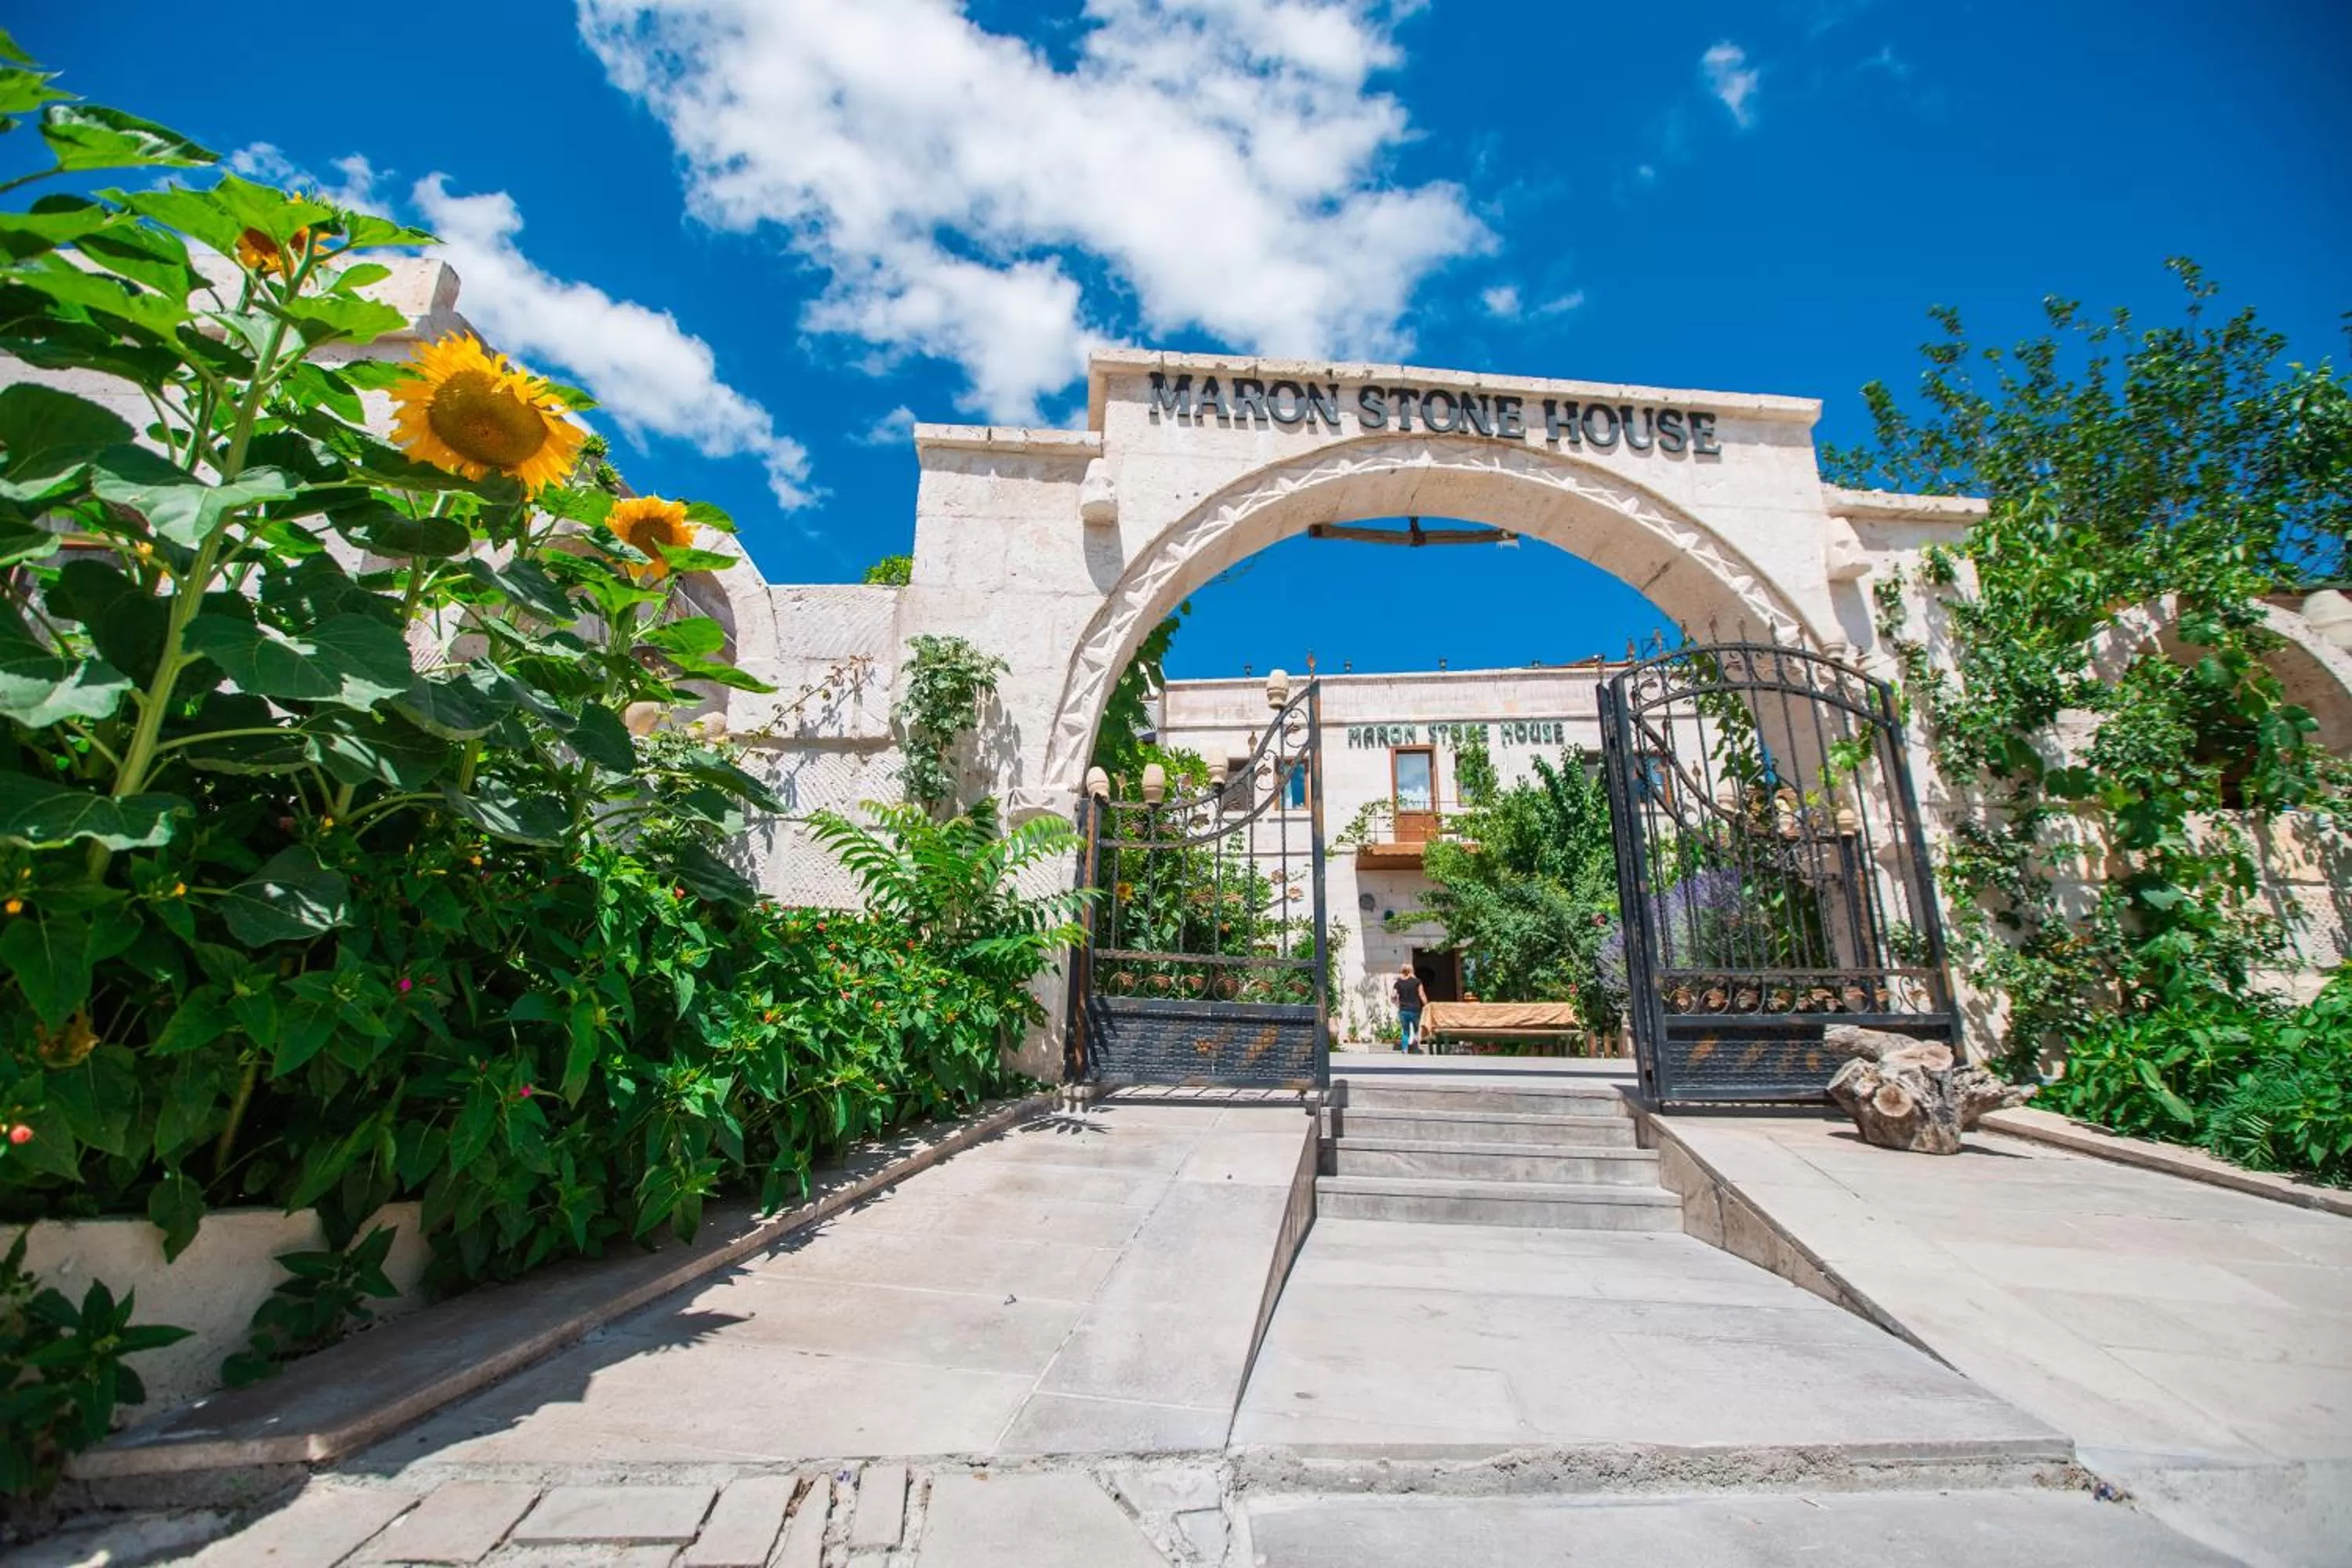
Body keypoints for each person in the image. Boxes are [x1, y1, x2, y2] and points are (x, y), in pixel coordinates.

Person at [1393, 961, 1426, 1054]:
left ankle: (1405, 1049)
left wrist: (1397, 1003)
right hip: (1415, 1010)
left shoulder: (1398, 983)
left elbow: (1393, 996)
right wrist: (1427, 1005)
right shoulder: (1417, 982)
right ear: (1412, 970)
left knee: (1405, 1031)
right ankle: (1415, 1049)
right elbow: (1422, 994)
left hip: (1403, 1010)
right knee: (1416, 1030)